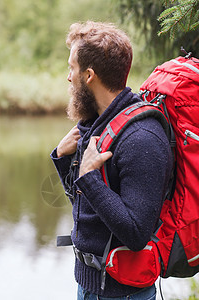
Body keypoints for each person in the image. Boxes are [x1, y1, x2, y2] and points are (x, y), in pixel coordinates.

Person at [50, 21, 173, 300]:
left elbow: (136, 232)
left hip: (121, 294)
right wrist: (62, 158)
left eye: (72, 68)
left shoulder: (142, 138)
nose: (69, 77)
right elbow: (90, 208)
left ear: (90, 75)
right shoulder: (100, 124)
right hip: (91, 285)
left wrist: (90, 176)